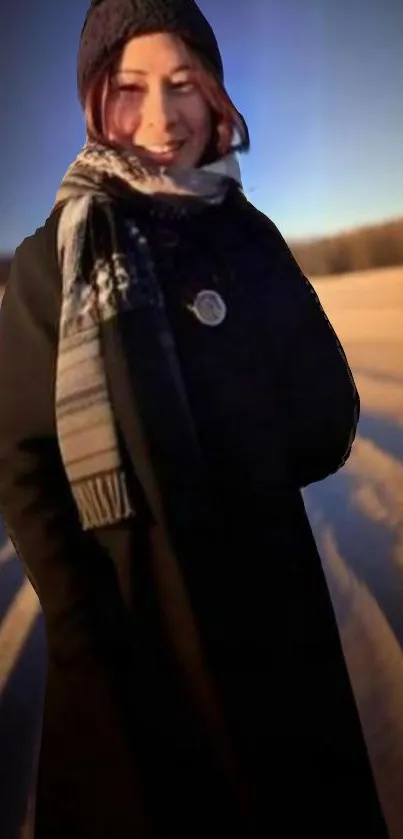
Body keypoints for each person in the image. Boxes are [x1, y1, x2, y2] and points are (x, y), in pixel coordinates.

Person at [0, 1, 389, 837]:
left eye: (182, 83)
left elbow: (326, 414)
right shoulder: (53, 259)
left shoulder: (248, 237)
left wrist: (244, 428)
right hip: (130, 638)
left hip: (275, 626)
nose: (159, 115)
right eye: (129, 86)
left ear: (212, 92)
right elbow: (19, 454)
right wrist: (79, 629)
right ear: (94, 102)